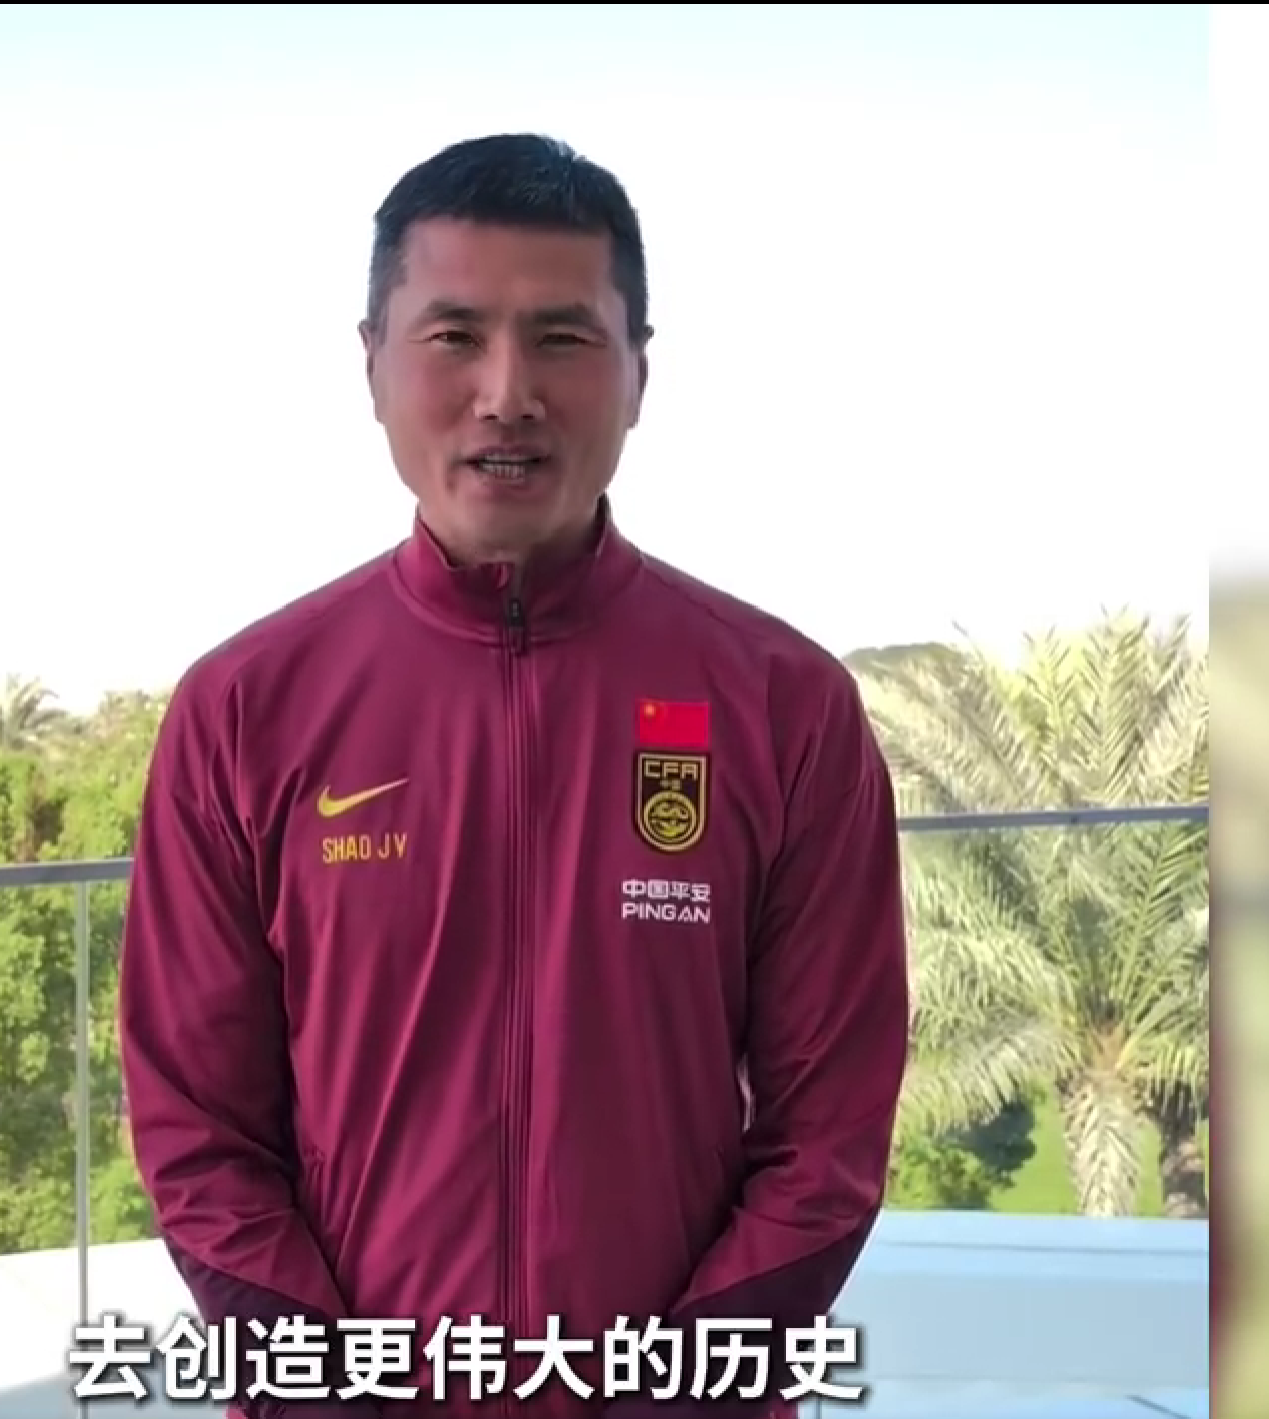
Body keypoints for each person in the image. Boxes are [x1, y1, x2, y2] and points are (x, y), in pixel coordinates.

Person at [119, 133, 910, 1419]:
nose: (506, 393)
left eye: (562, 338)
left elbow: (827, 1142)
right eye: (453, 337)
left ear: (639, 371)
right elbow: (199, 1132)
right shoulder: (244, 711)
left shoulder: (785, 707)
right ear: (371, 364)